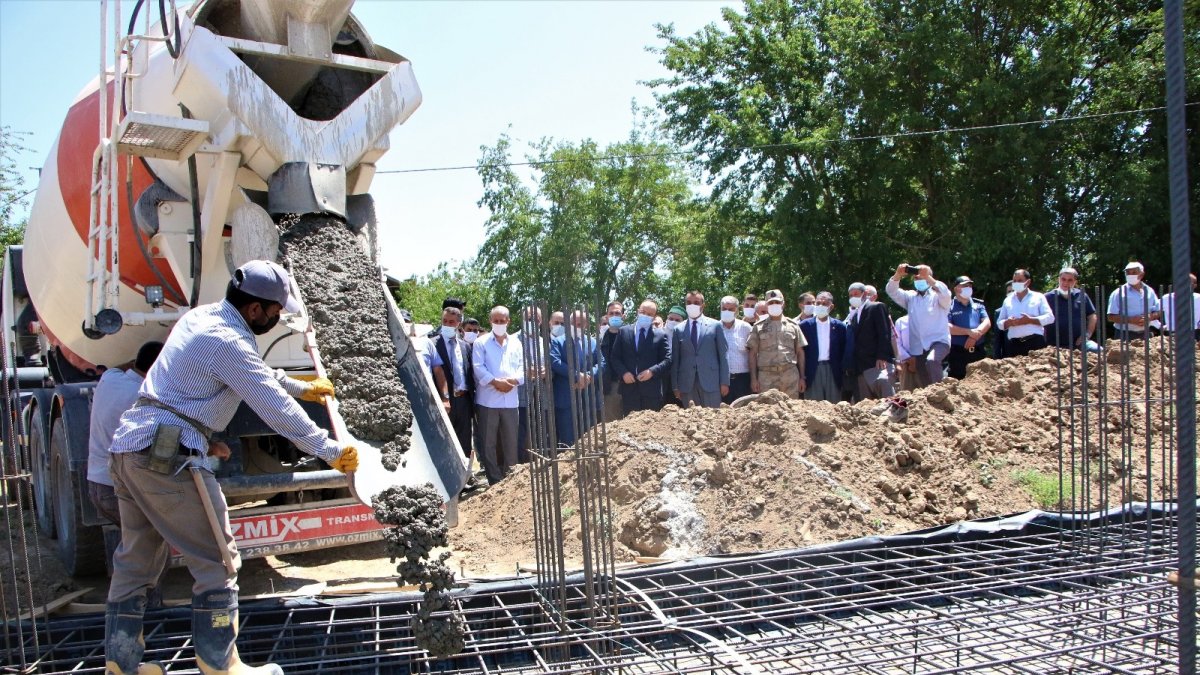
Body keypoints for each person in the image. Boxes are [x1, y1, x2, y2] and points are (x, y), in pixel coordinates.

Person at [104, 260, 356, 675]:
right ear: (255, 309)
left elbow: (250, 372)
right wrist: (329, 450)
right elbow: (271, 404)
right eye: (275, 311)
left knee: (137, 558)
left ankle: (121, 664)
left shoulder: (203, 318)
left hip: (133, 448)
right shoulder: (227, 340)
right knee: (218, 562)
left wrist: (302, 386)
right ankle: (222, 665)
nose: (277, 319)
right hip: (166, 454)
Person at [87, 341, 165, 603]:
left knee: (135, 545)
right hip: (119, 487)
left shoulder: (110, 380)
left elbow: (116, 368)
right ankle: (145, 610)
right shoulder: (143, 399)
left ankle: (131, 606)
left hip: (97, 483)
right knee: (150, 548)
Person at [473, 306, 525, 484]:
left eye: (502, 321)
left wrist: (513, 381)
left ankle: (511, 479)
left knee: (511, 442)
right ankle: (494, 480)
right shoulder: (481, 342)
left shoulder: (516, 343)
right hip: (488, 400)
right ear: (490, 321)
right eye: (496, 321)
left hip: (510, 400)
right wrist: (496, 382)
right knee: (489, 444)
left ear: (508, 321)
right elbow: (478, 368)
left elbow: (522, 368)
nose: (499, 324)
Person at [886, 263, 952, 388]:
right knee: (925, 381)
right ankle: (932, 403)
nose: (919, 280)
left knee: (932, 361)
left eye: (922, 277)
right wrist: (898, 274)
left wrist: (928, 277)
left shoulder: (938, 297)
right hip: (919, 346)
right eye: (916, 278)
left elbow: (946, 293)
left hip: (938, 341)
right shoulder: (911, 297)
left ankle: (942, 393)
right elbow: (892, 291)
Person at [549, 310, 604, 447]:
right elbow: (555, 362)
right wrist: (576, 375)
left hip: (588, 397)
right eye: (574, 323)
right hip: (566, 398)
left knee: (588, 438)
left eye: (581, 324)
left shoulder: (592, 342)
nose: (577, 326)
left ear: (586, 325)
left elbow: (602, 363)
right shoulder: (558, 342)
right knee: (567, 440)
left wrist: (589, 376)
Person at [610, 299, 672, 414]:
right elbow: (615, 358)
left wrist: (652, 371)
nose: (645, 316)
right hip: (629, 390)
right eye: (643, 312)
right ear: (638, 311)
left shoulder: (660, 335)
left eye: (649, 314)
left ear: (654, 317)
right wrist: (624, 373)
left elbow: (667, 360)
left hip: (651, 392)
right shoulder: (624, 332)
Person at [670, 291, 729, 408]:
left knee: (713, 418)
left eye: (696, 302)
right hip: (687, 383)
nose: (692, 305)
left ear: (703, 305)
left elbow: (723, 355)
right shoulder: (678, 329)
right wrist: (675, 386)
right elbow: (675, 360)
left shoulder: (715, 325)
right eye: (689, 302)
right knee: (691, 421)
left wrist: (725, 382)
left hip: (711, 381)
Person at [748, 289, 807, 399]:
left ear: (783, 304)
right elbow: (752, 354)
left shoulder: (793, 325)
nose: (774, 305)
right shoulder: (758, 327)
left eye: (777, 302)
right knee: (769, 412)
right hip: (766, 377)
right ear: (766, 305)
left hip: (790, 376)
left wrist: (802, 377)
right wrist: (753, 379)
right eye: (770, 303)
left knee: (792, 410)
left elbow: (800, 352)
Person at [433, 306, 474, 459]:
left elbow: (469, 374)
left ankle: (466, 477)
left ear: (458, 324)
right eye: (444, 321)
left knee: (464, 440)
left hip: (463, 400)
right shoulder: (433, 344)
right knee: (444, 439)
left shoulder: (464, 346)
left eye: (451, 322)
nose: (447, 325)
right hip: (444, 401)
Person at [847, 282, 895, 400]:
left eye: (856, 294)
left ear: (865, 293)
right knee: (866, 401)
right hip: (861, 365)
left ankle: (895, 411)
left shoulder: (876, 307)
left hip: (876, 361)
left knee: (884, 387)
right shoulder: (853, 316)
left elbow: (884, 332)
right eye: (851, 295)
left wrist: (882, 356)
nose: (854, 297)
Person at [798, 291, 848, 403]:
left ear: (831, 307)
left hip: (833, 370)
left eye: (824, 304)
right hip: (812, 370)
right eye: (818, 303)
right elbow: (800, 352)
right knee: (814, 406)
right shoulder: (805, 326)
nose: (820, 306)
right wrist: (802, 376)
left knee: (834, 405)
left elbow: (843, 350)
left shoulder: (840, 326)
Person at [997, 268, 1055, 357]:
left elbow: (1050, 317)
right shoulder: (1007, 300)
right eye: (1014, 281)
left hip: (1035, 343)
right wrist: (1008, 322)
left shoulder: (1038, 297)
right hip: (1013, 345)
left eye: (1020, 280)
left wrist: (1030, 320)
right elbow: (999, 323)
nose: (1016, 283)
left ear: (1027, 282)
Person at [946, 276, 991, 379]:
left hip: (977, 351)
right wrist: (969, 332)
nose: (968, 287)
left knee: (981, 380)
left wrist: (974, 336)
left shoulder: (978, 305)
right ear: (956, 288)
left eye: (970, 285)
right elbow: (947, 327)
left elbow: (987, 322)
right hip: (958, 353)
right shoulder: (949, 307)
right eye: (964, 285)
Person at [1045, 267, 1099, 350]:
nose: (1066, 282)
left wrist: (1087, 334)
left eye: (1070, 280)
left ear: (1075, 282)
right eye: (1063, 279)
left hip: (1079, 343)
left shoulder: (1081, 295)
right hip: (1053, 345)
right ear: (1059, 279)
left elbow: (1092, 316)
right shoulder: (1047, 297)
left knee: (1098, 350)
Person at [1107, 262, 1161, 341]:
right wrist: (1130, 320)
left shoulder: (1149, 291)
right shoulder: (1118, 293)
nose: (1130, 275)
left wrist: (1150, 317)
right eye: (1128, 273)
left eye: (1134, 272)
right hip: (1124, 335)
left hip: (1146, 333)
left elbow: (1158, 311)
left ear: (1142, 274)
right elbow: (1110, 317)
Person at [718, 295, 753, 403]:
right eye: (724, 309)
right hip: (721, 380)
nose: (727, 311)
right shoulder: (713, 328)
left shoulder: (746, 327)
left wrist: (754, 378)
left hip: (743, 380)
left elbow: (752, 354)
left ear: (737, 311)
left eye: (731, 309)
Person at [598, 301, 626, 422]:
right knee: (612, 422)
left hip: (630, 385)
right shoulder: (601, 337)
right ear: (606, 316)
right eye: (611, 313)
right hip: (611, 386)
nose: (614, 316)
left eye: (617, 313)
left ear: (623, 316)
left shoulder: (630, 334)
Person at [1161, 273, 1200, 340]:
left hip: (1194, 332)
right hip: (1172, 333)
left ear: (1194, 285)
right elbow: (1155, 312)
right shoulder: (1166, 298)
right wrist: (1159, 325)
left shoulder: (1198, 298)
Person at [662, 305, 688, 407]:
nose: (673, 321)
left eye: (677, 320)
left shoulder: (686, 337)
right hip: (661, 379)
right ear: (666, 319)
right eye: (671, 319)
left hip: (679, 382)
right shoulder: (658, 335)